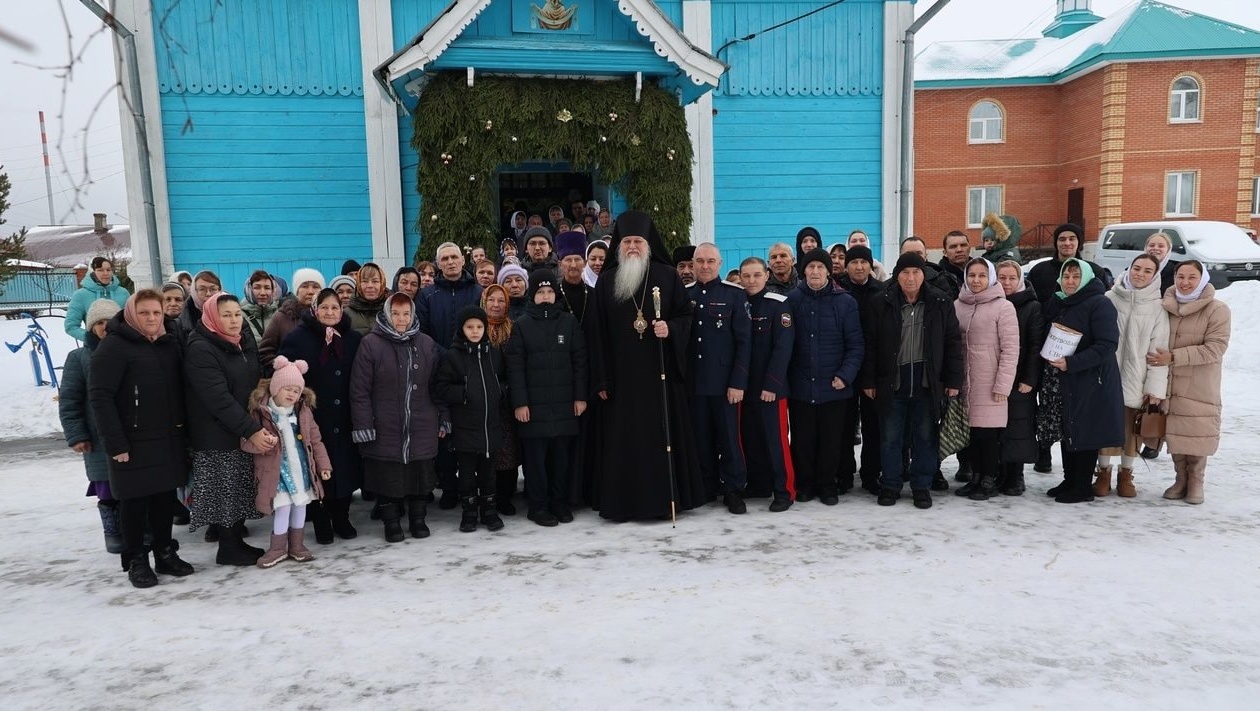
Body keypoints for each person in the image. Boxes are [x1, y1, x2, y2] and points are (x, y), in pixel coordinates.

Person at [587, 210, 705, 521]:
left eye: (638, 241)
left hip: (660, 375)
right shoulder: (607, 281)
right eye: (627, 242)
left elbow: (686, 317)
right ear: (619, 246)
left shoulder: (667, 276)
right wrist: (601, 379)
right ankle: (623, 503)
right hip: (621, 381)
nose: (633, 247)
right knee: (623, 441)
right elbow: (596, 334)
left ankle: (665, 500)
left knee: (661, 435)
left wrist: (671, 329)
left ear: (648, 243)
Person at [90, 290, 194, 587]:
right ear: (133, 313)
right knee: (133, 504)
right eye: (145, 312)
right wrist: (116, 443)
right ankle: (136, 559)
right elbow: (100, 397)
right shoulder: (113, 347)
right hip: (131, 443)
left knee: (163, 499)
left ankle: (164, 553)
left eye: (156, 313)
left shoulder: (167, 343)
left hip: (167, 437)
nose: (151, 318)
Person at [860, 253, 963, 510]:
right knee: (891, 438)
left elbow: (952, 342)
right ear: (897, 276)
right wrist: (869, 379)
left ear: (923, 275)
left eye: (915, 272)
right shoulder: (880, 302)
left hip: (927, 381)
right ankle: (891, 485)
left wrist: (953, 379)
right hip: (892, 381)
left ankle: (921, 486)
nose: (910, 277)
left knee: (925, 437)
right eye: (905, 272)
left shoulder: (940, 301)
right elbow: (870, 344)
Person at [351, 292, 448, 541]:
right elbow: (360, 389)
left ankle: (418, 520)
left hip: (422, 423)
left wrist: (444, 416)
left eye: (406, 313)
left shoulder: (426, 344)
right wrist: (364, 424)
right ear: (387, 313)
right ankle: (391, 523)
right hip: (385, 425)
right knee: (388, 478)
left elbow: (438, 385)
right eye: (396, 313)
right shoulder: (371, 344)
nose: (401, 319)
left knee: (420, 477)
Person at [185, 292, 272, 564]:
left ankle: (235, 541)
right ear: (212, 316)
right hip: (216, 433)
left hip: (240, 428)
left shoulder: (241, 342)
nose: (234, 320)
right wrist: (251, 430)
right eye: (226, 315)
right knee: (225, 491)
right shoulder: (201, 347)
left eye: (237, 314)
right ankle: (228, 547)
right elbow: (217, 399)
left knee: (238, 489)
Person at [278, 288, 363, 543]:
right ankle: (321, 518)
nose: (329, 312)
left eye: (334, 307)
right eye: (324, 307)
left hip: (345, 414)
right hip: (312, 415)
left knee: (344, 467)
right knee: (314, 467)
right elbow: (286, 378)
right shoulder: (297, 338)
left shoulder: (352, 339)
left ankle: (341, 515)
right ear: (315, 309)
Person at [506, 271, 589, 526]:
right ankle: (538, 506)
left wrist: (580, 397)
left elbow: (580, 362)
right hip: (533, 408)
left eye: (550, 292)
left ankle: (558, 502)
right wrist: (520, 403)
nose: (545, 297)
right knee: (536, 461)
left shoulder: (568, 322)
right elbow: (515, 367)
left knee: (561, 458)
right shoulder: (521, 324)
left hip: (565, 405)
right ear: (533, 294)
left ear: (556, 295)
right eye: (540, 292)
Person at [1038, 259, 1124, 504]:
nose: (1070, 281)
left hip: (1089, 379)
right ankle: (1070, 479)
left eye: (1076, 276)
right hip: (1062, 378)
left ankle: (1083, 485)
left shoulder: (1099, 304)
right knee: (1068, 429)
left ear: (1085, 278)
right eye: (1067, 276)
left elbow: (1107, 345)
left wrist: (1072, 363)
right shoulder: (1058, 301)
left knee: (1085, 430)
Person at [1028, 224, 1112, 473]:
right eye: (1062, 239)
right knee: (1051, 411)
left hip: (1080, 364)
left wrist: (1075, 360)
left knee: (1078, 420)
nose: (1066, 243)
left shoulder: (1094, 279)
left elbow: (1104, 338)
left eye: (1072, 238)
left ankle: (1080, 478)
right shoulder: (1042, 273)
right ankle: (1048, 457)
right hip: (1051, 355)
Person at [785, 249, 864, 504]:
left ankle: (828, 485)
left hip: (835, 385)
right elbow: (785, 344)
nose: (816, 272)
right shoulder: (792, 300)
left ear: (829, 271)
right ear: (803, 270)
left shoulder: (845, 302)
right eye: (811, 267)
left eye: (821, 267)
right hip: (801, 385)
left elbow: (856, 345)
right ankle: (805, 484)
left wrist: (845, 375)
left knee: (832, 440)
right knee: (802, 439)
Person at [1150, 260, 1231, 504]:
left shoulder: (1217, 310)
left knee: (1196, 431)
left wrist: (1174, 357)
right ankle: (1180, 479)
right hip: (1168, 381)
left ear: (1203, 279)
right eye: (1180, 277)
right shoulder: (1165, 306)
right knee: (1174, 431)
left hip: (1198, 382)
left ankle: (1196, 480)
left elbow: (1216, 348)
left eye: (1191, 277)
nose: (1185, 283)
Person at [1092, 254, 1169, 498]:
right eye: (1137, 268)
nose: (1140, 274)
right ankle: (1103, 472)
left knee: (1131, 431)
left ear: (1155, 275)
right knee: (1104, 426)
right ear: (1129, 269)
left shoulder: (1158, 308)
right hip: (1108, 375)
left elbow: (1159, 349)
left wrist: (1155, 388)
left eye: (1147, 271)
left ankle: (1126, 473)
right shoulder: (1109, 298)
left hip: (1138, 377)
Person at [243, 357, 331, 567]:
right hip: (276, 473)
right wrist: (262, 443)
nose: (292, 394)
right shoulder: (262, 413)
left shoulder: (303, 412)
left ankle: (297, 545)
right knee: (283, 507)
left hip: (301, 470)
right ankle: (277, 548)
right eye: (287, 389)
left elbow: (316, 440)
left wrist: (324, 465)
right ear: (275, 388)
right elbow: (246, 442)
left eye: (296, 391)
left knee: (300, 505)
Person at [686, 243, 752, 512]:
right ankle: (706, 485)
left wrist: (738, 381)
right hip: (695, 382)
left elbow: (744, 343)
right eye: (699, 261)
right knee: (700, 438)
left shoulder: (734, 295)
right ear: (692, 263)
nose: (704, 266)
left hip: (726, 384)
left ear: (720, 263)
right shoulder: (683, 294)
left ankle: (734, 489)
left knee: (730, 439)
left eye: (710, 261)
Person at [435, 306, 507, 532]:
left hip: (490, 426)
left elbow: (505, 378)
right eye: (469, 327)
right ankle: (468, 512)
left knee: (488, 474)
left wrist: (500, 391)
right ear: (462, 329)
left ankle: (489, 510)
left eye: (479, 327)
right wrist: (463, 394)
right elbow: (441, 386)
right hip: (465, 427)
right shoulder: (453, 356)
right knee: (466, 475)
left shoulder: (493, 353)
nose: (475, 331)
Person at [952, 258, 1019, 501]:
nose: (976, 280)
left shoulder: (1003, 307)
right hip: (965, 383)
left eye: (982, 275)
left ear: (990, 278)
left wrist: (1003, 385)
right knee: (972, 435)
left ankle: (989, 479)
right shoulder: (959, 305)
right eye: (972, 275)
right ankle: (976, 476)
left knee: (988, 436)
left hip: (990, 383)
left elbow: (1011, 350)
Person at [60, 299, 123, 553]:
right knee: (106, 485)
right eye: (99, 322)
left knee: (132, 485)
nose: (105, 327)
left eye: (110, 321)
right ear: (90, 326)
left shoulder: (127, 352)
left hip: (128, 431)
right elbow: (69, 399)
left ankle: (139, 526)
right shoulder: (78, 358)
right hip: (97, 437)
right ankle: (113, 530)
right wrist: (76, 435)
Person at [737, 257, 795, 511]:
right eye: (746, 276)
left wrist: (772, 385)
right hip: (743, 387)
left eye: (756, 275)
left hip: (771, 388)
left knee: (776, 441)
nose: (751, 281)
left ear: (766, 275)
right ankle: (759, 484)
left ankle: (784, 490)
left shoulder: (778, 306)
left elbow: (783, 349)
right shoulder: (737, 304)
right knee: (750, 438)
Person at [836, 245, 885, 494]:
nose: (858, 267)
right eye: (853, 262)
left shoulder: (881, 291)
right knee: (844, 425)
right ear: (846, 265)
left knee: (872, 425)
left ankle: (870, 473)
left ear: (870, 265)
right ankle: (844, 473)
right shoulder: (837, 289)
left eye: (863, 262)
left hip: (872, 369)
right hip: (843, 367)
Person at [994, 259, 1044, 496]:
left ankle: (1016, 475)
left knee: (1019, 428)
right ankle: (999, 472)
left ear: (1020, 279)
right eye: (1002, 278)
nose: (1006, 283)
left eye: (1012, 278)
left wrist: (1029, 378)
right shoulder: (991, 302)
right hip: (995, 376)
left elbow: (1035, 345)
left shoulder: (1031, 306)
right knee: (998, 428)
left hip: (1020, 378)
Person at [480, 284, 524, 515]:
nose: (496, 305)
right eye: (491, 300)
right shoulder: (476, 327)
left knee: (508, 450)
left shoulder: (514, 329)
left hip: (506, 399)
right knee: (488, 452)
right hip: (482, 398)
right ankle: (487, 495)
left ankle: (506, 496)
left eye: (501, 301)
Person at [259, 268, 326, 372]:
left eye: (315, 286)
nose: (310, 291)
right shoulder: (282, 317)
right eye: (304, 286)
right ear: (296, 290)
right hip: (291, 384)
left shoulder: (329, 317)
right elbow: (265, 352)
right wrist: (284, 370)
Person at [66, 256, 131, 341]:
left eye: (108, 270)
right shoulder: (81, 295)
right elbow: (71, 326)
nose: (105, 273)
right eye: (100, 270)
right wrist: (92, 339)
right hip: (95, 350)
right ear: (92, 272)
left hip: (122, 345)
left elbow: (132, 321)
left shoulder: (123, 293)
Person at [555, 231, 592, 324]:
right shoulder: (555, 295)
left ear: (585, 263)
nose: (573, 265)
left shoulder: (594, 295)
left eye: (577, 259)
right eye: (568, 260)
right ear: (560, 264)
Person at [345, 262, 389, 335]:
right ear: (359, 284)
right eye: (364, 281)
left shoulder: (391, 311)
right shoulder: (346, 314)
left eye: (375, 281)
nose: (370, 286)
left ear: (382, 283)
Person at [241, 270, 280, 342]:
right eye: (257, 287)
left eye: (267, 288)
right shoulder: (239, 316)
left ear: (272, 291)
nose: (262, 293)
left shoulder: (280, 315)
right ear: (249, 290)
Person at [1146, 231, 1179, 301]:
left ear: (1168, 250)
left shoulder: (1176, 273)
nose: (1155, 248)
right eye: (1151, 245)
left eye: (1161, 246)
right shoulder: (1132, 270)